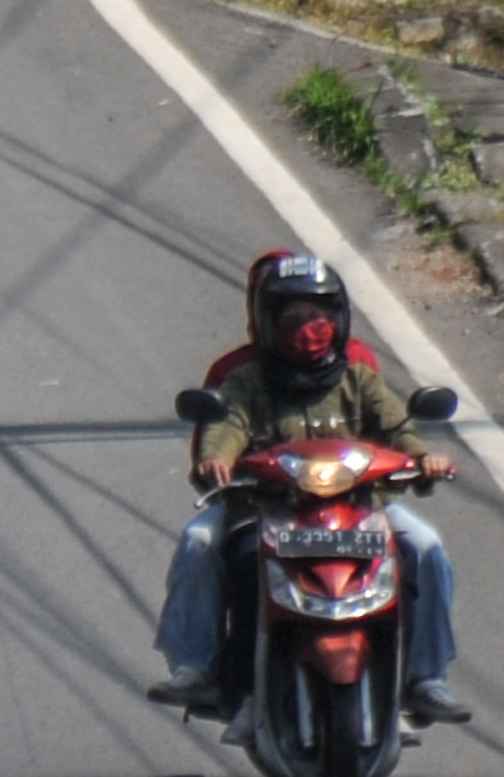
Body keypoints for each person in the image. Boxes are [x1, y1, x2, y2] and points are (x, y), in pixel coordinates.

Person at [148, 251, 467, 731]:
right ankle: (197, 668)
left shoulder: (357, 372)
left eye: (319, 315)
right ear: (266, 318)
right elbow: (227, 425)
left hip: (358, 507)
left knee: (426, 546)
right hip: (264, 507)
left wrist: (423, 457)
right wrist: (217, 458)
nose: (309, 327)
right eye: (294, 317)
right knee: (198, 543)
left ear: (339, 318)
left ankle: (427, 679)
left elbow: (395, 424)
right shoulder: (245, 378)